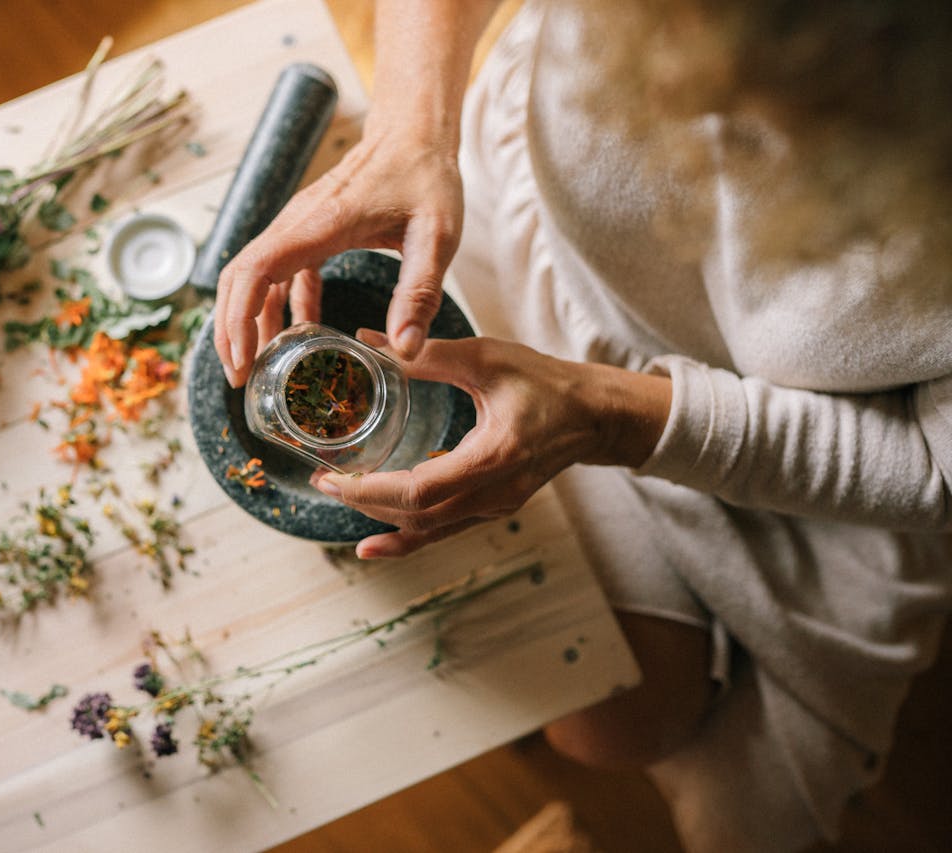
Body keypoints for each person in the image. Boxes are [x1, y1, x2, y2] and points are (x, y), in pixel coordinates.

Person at [214, 1, 952, 850]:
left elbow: (933, 465)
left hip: (803, 447)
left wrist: (603, 418)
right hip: (531, 229)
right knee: (605, 723)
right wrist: (411, 126)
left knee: (734, 820)